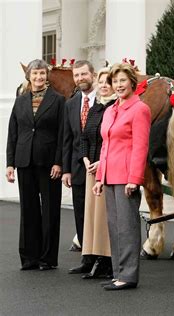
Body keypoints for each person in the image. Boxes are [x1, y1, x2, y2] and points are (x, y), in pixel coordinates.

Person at [93, 63, 151, 290]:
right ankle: (118, 273)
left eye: (122, 81)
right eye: (114, 81)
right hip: (109, 174)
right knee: (115, 225)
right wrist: (99, 178)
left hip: (126, 176)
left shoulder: (140, 109)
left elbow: (140, 146)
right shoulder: (110, 110)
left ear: (132, 83)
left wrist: (134, 179)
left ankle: (128, 275)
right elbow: (105, 146)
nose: (118, 85)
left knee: (127, 226)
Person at [6, 59, 64, 270]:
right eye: (35, 74)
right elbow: (12, 133)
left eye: (42, 74)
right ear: (28, 76)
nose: (38, 78)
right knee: (28, 210)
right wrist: (10, 163)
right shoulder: (20, 101)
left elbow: (62, 134)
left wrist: (59, 162)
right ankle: (29, 257)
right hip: (24, 161)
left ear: (46, 76)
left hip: (49, 163)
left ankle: (47, 259)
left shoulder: (58, 100)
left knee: (50, 211)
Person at [79, 67, 116, 279]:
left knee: (103, 217)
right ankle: (92, 256)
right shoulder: (95, 108)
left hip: (106, 168)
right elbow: (84, 137)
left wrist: (101, 162)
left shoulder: (114, 108)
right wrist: (86, 160)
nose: (103, 85)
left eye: (107, 82)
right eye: (101, 81)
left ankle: (106, 260)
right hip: (90, 168)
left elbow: (112, 141)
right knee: (91, 216)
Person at [62, 60, 97, 273]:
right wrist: (66, 169)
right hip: (76, 167)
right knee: (81, 214)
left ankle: (101, 258)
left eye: (84, 74)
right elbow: (67, 139)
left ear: (92, 74)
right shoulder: (71, 104)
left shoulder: (104, 101)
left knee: (98, 214)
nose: (80, 78)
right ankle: (86, 258)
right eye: (76, 75)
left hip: (98, 165)